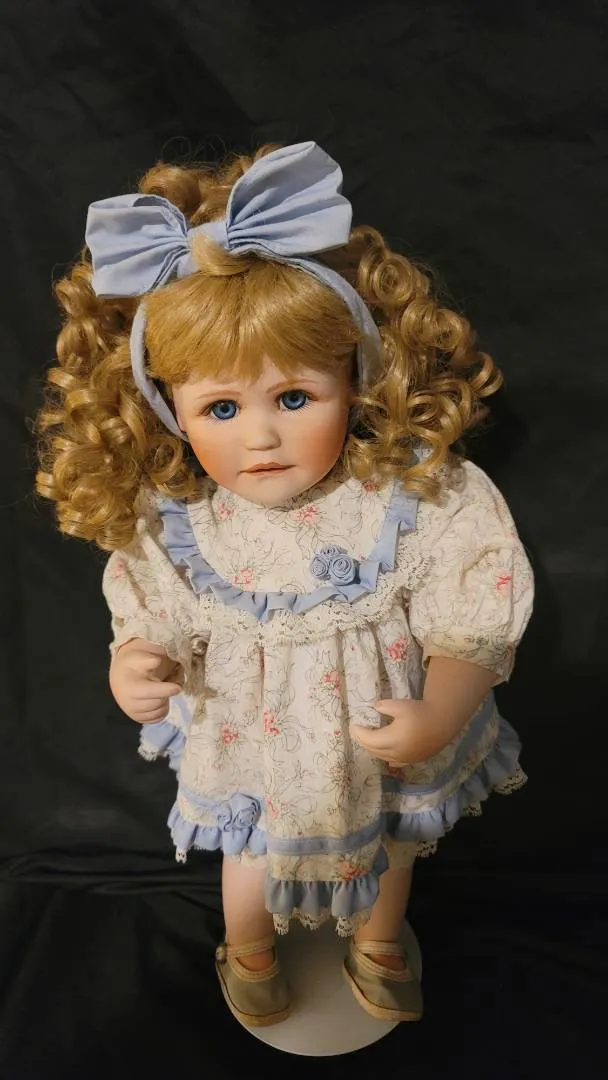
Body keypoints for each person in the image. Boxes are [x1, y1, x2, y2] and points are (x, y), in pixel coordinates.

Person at [36, 141, 534, 1028]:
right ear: (171, 412)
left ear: (353, 378)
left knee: (393, 846)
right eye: (222, 409)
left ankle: (378, 940)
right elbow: (150, 610)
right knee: (252, 853)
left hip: (378, 741)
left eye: (295, 398)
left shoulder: (412, 497)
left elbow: (472, 612)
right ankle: (249, 946)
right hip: (254, 745)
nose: (260, 437)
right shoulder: (186, 523)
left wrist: (443, 707)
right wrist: (136, 665)